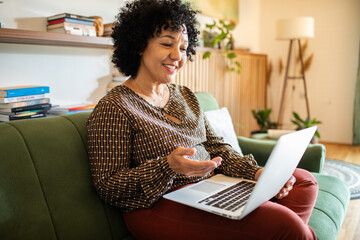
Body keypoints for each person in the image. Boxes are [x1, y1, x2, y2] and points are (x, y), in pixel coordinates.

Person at [87, 0, 318, 239]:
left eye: (184, 48)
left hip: (210, 188)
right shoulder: (115, 106)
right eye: (167, 43)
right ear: (139, 45)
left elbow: (216, 148)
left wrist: (256, 172)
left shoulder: (185, 95)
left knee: (303, 183)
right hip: (156, 205)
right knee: (286, 224)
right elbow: (109, 185)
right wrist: (168, 166)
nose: (177, 56)